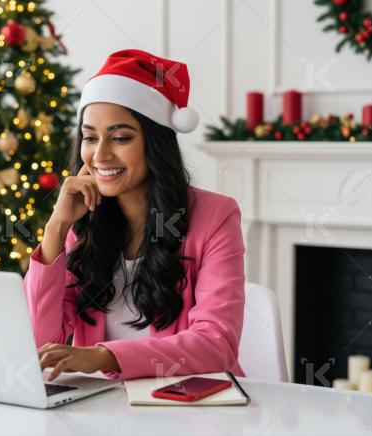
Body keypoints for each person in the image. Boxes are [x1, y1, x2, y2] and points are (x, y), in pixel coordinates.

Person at [23, 49, 246, 381]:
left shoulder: (216, 217)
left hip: (194, 409)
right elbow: (41, 343)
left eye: (120, 138)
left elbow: (216, 343)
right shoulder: (83, 223)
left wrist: (104, 356)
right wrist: (56, 227)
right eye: (89, 137)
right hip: (107, 410)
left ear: (154, 144)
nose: (100, 155)